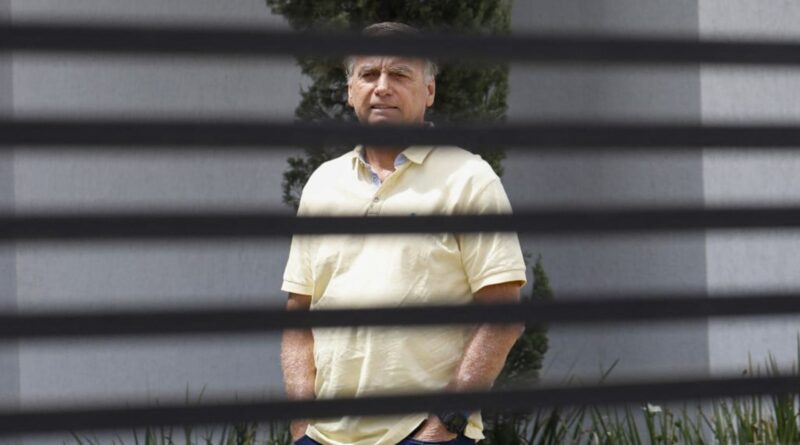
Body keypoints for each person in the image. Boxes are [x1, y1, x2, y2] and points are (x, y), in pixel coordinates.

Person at [281, 22, 527, 445]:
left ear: (429, 91)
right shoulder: (322, 184)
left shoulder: (469, 180)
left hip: (422, 434)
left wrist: (445, 423)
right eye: (368, 74)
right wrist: (302, 425)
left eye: (399, 74)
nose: (382, 87)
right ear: (350, 91)